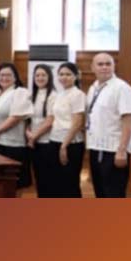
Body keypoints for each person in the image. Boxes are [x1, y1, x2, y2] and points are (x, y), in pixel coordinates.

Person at [86, 53, 131, 198]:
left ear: (114, 66)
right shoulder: (93, 87)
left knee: (113, 194)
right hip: (96, 147)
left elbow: (128, 119)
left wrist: (122, 150)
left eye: (108, 64)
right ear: (92, 67)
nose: (104, 67)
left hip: (113, 150)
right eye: (100, 64)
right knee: (100, 192)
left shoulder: (121, 88)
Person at [0, 63, 34, 190]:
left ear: (15, 77)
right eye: (1, 75)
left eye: (8, 75)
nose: (4, 78)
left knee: (14, 184)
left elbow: (16, 117)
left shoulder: (20, 92)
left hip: (12, 145)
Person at [46, 63, 86, 198]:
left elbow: (77, 122)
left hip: (71, 144)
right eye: (61, 74)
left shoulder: (78, 94)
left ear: (76, 76)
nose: (64, 77)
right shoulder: (59, 94)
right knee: (56, 183)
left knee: (70, 184)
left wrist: (64, 146)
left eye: (68, 74)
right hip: (54, 141)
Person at [25, 65, 56, 198]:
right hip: (33, 142)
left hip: (46, 142)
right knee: (38, 178)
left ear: (49, 77)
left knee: (48, 179)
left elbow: (50, 121)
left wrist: (33, 137)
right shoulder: (31, 95)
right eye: (37, 75)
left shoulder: (53, 95)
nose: (40, 78)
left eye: (43, 75)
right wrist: (28, 134)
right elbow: (27, 119)